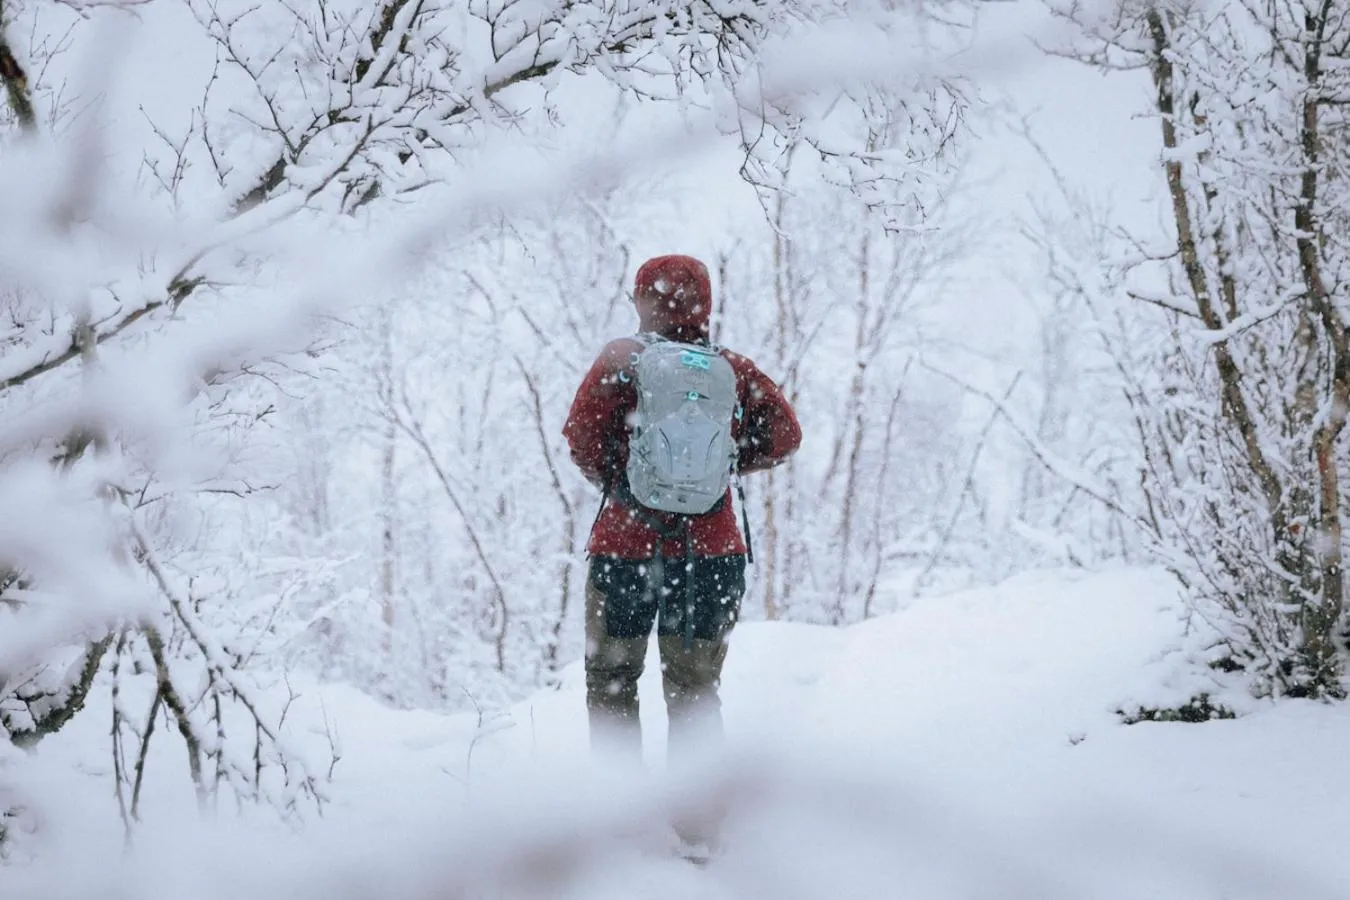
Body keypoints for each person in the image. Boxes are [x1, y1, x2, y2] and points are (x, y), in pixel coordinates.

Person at [562, 254, 801, 777]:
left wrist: (625, 482)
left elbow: (579, 437)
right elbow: (787, 436)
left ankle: (620, 817)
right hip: (710, 558)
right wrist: (724, 466)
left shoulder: (620, 359)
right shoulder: (733, 370)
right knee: (694, 691)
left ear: (643, 300)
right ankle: (696, 832)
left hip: (624, 552)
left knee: (611, 681)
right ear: (705, 303)